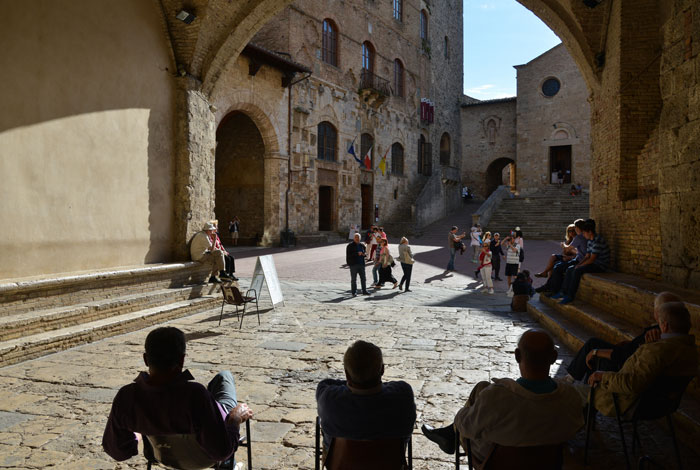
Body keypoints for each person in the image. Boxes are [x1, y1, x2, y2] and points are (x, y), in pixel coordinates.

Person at [421, 330, 583, 462]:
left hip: (496, 462)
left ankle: (450, 436)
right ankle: (450, 435)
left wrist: (461, 416)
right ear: (554, 358)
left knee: (476, 407)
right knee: (482, 387)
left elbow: (466, 427)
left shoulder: (498, 396)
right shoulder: (571, 397)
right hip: (547, 462)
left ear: (517, 356)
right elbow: (575, 427)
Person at [102, 327, 253, 466]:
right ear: (182, 359)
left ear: (146, 359)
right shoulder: (195, 395)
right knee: (224, 377)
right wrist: (234, 418)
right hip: (205, 459)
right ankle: (228, 463)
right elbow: (221, 451)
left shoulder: (127, 397)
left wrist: (139, 429)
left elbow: (117, 451)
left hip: (161, 456)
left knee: (217, 385)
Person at [586, 301, 697, 417]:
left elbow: (632, 384)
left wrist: (602, 376)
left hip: (633, 403)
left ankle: (586, 414)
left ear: (665, 326)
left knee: (582, 393)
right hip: (666, 405)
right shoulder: (691, 351)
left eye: (659, 323)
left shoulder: (658, 350)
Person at [316, 340, 416, 450]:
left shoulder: (328, 398)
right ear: (382, 370)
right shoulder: (403, 394)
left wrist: (357, 379)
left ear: (347, 374)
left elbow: (326, 383)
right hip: (390, 463)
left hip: (340, 464)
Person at [565, 292, 681, 382]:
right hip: (626, 355)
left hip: (622, 366)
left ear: (658, 313)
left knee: (593, 347)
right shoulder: (674, 336)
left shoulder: (654, 335)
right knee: (594, 343)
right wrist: (630, 343)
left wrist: (596, 352)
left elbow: (624, 356)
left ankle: (581, 390)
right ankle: (574, 378)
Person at [552, 219, 610, 304]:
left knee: (577, 271)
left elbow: (592, 259)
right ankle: (563, 292)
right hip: (593, 263)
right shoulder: (590, 240)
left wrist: (580, 266)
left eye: (584, 233)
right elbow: (587, 256)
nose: (583, 235)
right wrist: (579, 264)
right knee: (570, 268)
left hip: (600, 265)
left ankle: (570, 295)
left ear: (589, 232)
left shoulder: (597, 241)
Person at [535, 219, 588, 295]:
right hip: (579, 259)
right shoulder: (583, 236)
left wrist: (564, 245)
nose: (573, 232)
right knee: (556, 264)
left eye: (574, 229)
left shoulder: (579, 237)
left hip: (579, 260)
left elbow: (568, 249)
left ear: (577, 228)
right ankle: (548, 285)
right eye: (570, 231)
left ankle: (554, 289)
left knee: (558, 267)